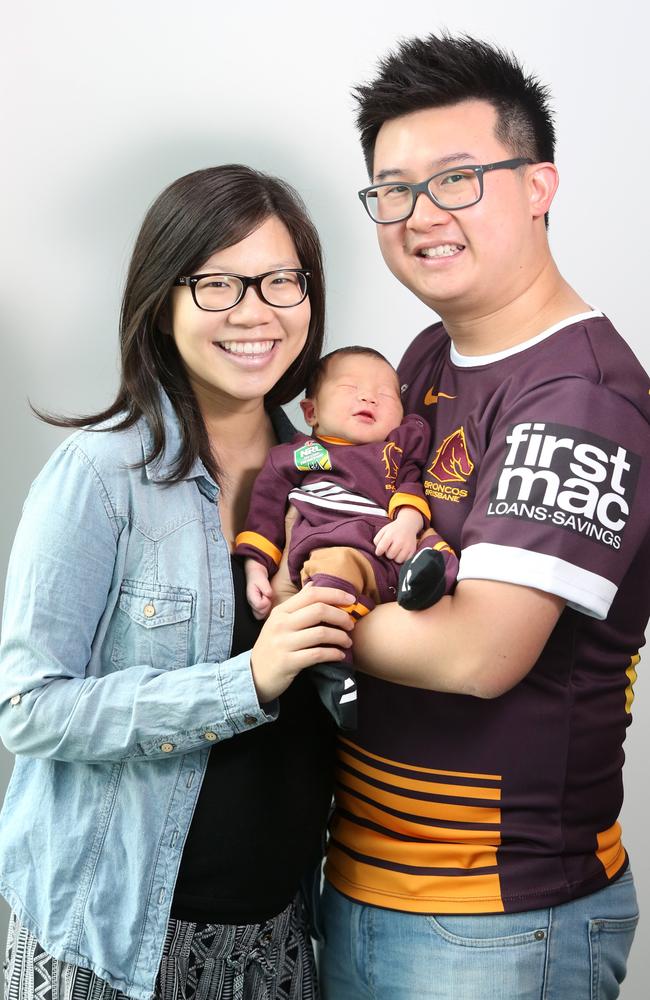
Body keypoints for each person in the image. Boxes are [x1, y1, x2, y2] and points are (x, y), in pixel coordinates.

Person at [318, 33, 650, 1000]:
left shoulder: (578, 394)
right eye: (393, 190)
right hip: (363, 875)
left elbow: (478, 655)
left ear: (539, 185)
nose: (421, 216)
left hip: (494, 920)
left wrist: (298, 622)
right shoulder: (424, 358)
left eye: (457, 179)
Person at [0, 164, 356, 1000]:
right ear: (163, 299)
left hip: (279, 938)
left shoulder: (328, 476)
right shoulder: (101, 475)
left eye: (280, 280)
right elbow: (29, 707)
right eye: (218, 283)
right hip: (109, 940)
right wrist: (247, 681)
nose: (255, 311)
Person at [235, 345, 458, 728]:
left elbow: (412, 484)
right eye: (350, 387)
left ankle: (423, 584)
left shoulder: (397, 448)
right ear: (312, 412)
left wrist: (407, 524)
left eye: (385, 394)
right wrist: (256, 570)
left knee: (437, 547)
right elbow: (265, 515)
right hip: (337, 542)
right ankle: (332, 670)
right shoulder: (301, 455)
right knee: (329, 576)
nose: (369, 396)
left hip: (394, 536)